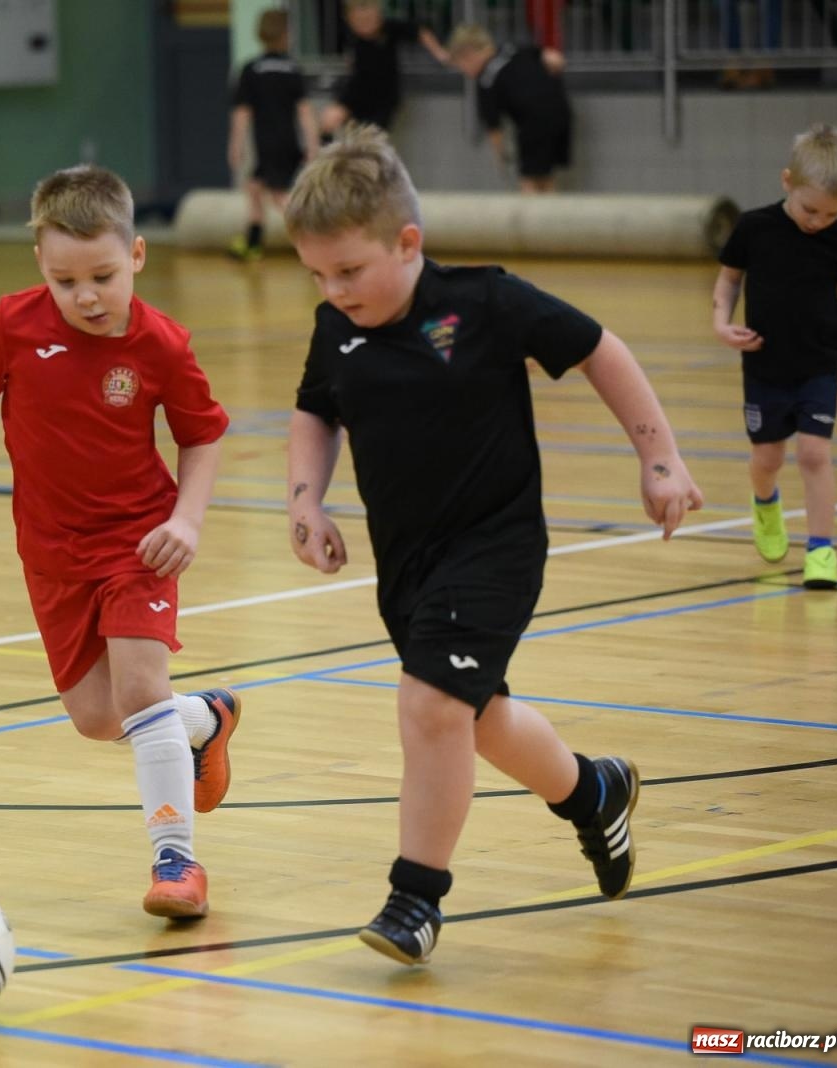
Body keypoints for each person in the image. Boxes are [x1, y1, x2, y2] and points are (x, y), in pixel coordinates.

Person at [283, 125, 703, 964]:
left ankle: (415, 900)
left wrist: (661, 458)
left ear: (409, 241)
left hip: (496, 543)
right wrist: (307, 501)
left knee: (431, 707)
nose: (334, 290)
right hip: (407, 560)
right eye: (318, 275)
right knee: (472, 719)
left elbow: (601, 351)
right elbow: (316, 407)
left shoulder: (484, 301)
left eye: (350, 270)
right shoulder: (338, 327)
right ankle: (594, 792)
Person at [0, 164, 241, 919]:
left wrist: (187, 521)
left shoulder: (162, 344)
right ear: (40, 263)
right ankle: (205, 719)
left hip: (139, 544)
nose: (87, 296)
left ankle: (177, 864)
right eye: (67, 281)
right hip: (50, 551)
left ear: (135, 255)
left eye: (103, 275)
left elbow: (203, 437)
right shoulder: (12, 324)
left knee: (139, 692)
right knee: (100, 719)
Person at [712, 123, 837, 589]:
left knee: (815, 453)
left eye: (832, 214)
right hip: (764, 363)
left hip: (818, 364)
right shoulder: (755, 227)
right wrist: (721, 322)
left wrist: (826, 337)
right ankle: (766, 504)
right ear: (786, 181)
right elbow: (730, 278)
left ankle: (821, 550)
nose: (818, 221)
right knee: (768, 457)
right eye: (810, 209)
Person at [227, 8, 317, 262]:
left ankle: (313, 240)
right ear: (286, 34)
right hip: (287, 142)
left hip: (266, 143)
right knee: (254, 187)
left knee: (279, 196)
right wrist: (311, 145)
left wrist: (235, 146)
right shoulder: (291, 69)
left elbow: (241, 115)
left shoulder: (251, 69)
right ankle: (254, 241)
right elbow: (305, 112)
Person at [446, 24, 571, 193]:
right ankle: (553, 216)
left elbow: (494, 128)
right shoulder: (511, 48)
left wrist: (501, 158)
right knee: (545, 176)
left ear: (468, 55)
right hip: (561, 109)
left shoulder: (486, 80)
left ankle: (536, 218)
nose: (465, 72)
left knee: (529, 181)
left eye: (461, 65)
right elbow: (555, 59)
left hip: (534, 120)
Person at [319, 0, 448, 138]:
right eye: (358, 20)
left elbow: (421, 33)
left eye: (368, 19)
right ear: (350, 19)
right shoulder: (351, 35)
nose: (364, 25)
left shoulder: (390, 29)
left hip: (383, 96)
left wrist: (441, 54)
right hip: (357, 90)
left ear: (378, 15)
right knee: (328, 120)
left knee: (369, 139)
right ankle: (325, 157)